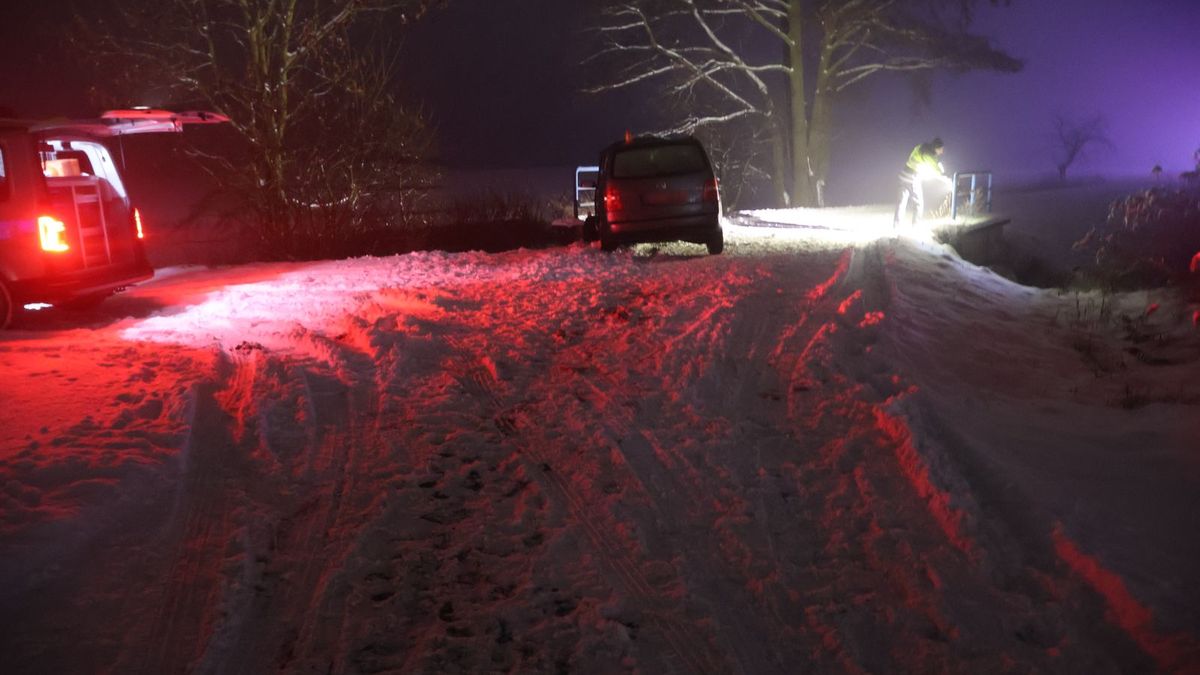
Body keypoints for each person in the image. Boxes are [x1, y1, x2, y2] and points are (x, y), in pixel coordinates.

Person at [895, 137, 952, 227]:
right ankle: (916, 227)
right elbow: (938, 171)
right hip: (912, 178)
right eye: (941, 149)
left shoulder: (920, 147)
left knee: (901, 203)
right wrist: (947, 177)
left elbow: (920, 162)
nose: (942, 152)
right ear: (936, 148)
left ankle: (896, 227)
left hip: (903, 176)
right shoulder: (929, 156)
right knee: (918, 204)